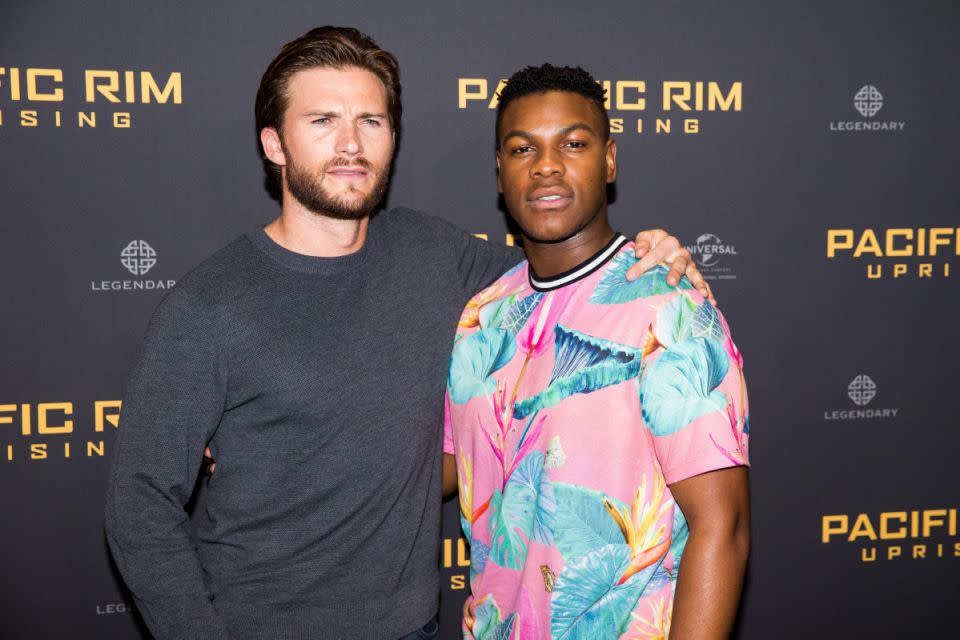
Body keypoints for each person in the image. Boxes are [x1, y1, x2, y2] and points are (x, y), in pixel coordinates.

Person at [103, 27, 709, 640]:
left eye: (370, 121)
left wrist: (646, 253)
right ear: (274, 144)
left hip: (413, 626)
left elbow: (565, 269)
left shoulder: (435, 255)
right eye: (321, 121)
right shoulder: (210, 304)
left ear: (393, 138)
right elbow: (140, 504)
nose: (349, 144)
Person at [442, 63, 750, 640]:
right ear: (500, 172)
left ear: (609, 160)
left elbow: (722, 525)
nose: (547, 165)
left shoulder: (669, 308)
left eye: (573, 143)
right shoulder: (481, 316)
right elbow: (438, 469)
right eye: (521, 148)